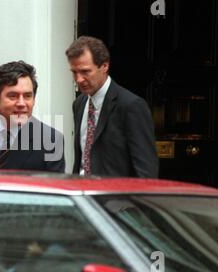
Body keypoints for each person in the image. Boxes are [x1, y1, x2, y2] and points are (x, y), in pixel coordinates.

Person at [66, 36, 158, 177]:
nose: (79, 79)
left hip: (116, 197)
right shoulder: (79, 104)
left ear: (104, 66)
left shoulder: (131, 106)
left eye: (85, 72)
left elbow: (146, 172)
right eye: (74, 72)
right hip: (83, 195)